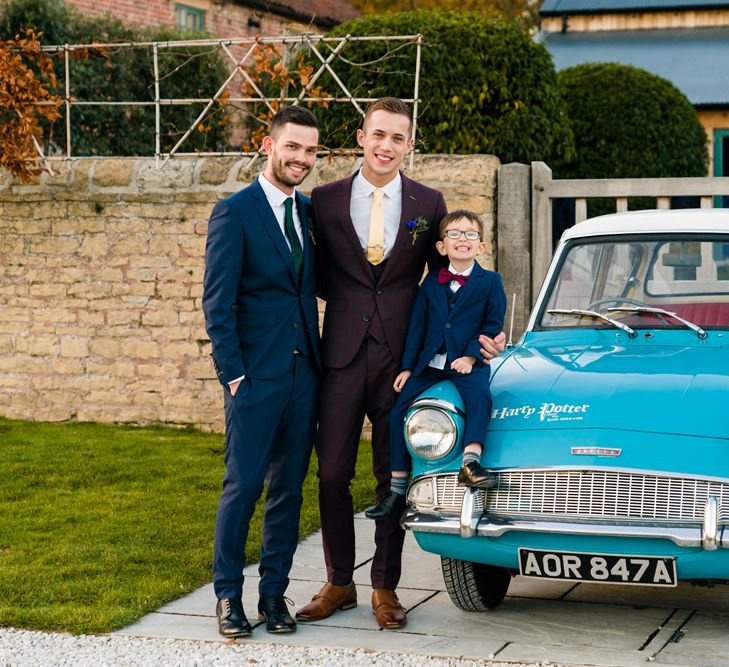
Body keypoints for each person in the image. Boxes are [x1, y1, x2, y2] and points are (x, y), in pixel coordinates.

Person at [296, 96, 451, 631]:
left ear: (410, 144)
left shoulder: (429, 203)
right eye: (378, 135)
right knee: (333, 472)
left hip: (400, 361)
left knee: (394, 478)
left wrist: (476, 329)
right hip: (339, 355)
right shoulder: (326, 199)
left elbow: (447, 276)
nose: (387, 146)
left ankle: (385, 586)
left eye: (398, 138)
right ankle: (339, 581)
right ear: (361, 137)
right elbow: (313, 274)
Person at [202, 106, 321, 638]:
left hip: (304, 375)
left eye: (310, 150)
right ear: (268, 145)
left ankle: (274, 594)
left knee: (288, 490)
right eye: (292, 147)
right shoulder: (235, 211)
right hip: (253, 377)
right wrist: (233, 375)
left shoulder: (310, 213)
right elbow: (217, 302)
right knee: (243, 486)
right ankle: (228, 598)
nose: (301, 158)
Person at [364, 210, 507, 520]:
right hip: (430, 362)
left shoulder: (490, 282)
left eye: (470, 234)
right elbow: (417, 327)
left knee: (480, 398)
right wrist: (407, 367)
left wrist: (470, 357)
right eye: (454, 234)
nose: (462, 239)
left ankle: (470, 464)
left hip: (468, 361)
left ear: (480, 246)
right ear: (442, 247)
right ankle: (398, 489)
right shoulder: (432, 281)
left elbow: (493, 323)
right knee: (397, 413)